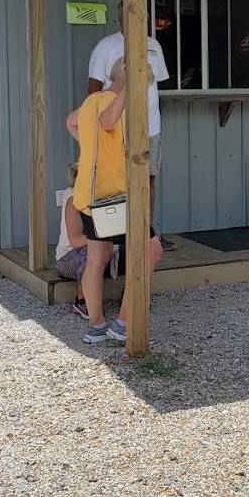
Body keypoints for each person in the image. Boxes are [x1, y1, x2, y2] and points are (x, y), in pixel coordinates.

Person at [68, 58, 163, 345]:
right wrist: (129, 87)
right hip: (115, 199)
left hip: (88, 196)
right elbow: (108, 122)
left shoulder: (91, 101)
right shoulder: (116, 102)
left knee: (97, 258)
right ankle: (124, 323)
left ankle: (96, 325)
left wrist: (92, 148)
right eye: (143, 82)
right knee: (152, 251)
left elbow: (70, 122)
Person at [87, 0, 170, 226]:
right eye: (131, 15)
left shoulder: (153, 45)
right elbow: (93, 91)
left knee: (148, 178)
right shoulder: (106, 47)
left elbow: (155, 86)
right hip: (117, 126)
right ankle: (118, 235)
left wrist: (156, 119)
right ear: (120, 19)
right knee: (117, 180)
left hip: (151, 127)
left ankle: (147, 231)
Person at [55, 161, 89, 319]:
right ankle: (81, 300)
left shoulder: (94, 194)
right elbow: (76, 241)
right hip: (67, 259)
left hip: (89, 251)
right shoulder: (74, 197)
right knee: (94, 252)